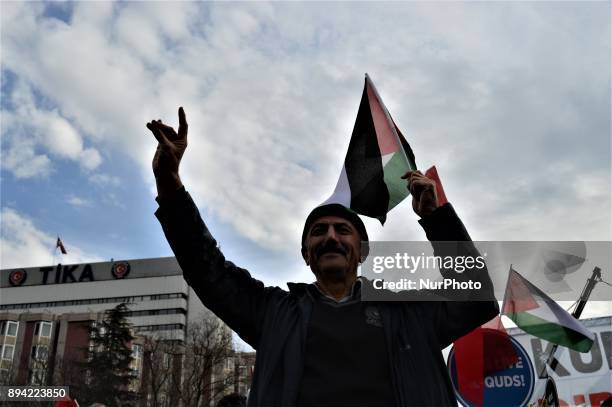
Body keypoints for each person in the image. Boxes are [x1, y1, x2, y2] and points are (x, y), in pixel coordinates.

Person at [147, 108, 498, 406]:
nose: (331, 236)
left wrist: (438, 219)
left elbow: (477, 299)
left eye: (342, 230)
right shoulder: (272, 313)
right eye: (319, 231)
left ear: (362, 250)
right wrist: (169, 183)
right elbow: (208, 270)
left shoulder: (408, 312)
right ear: (306, 255)